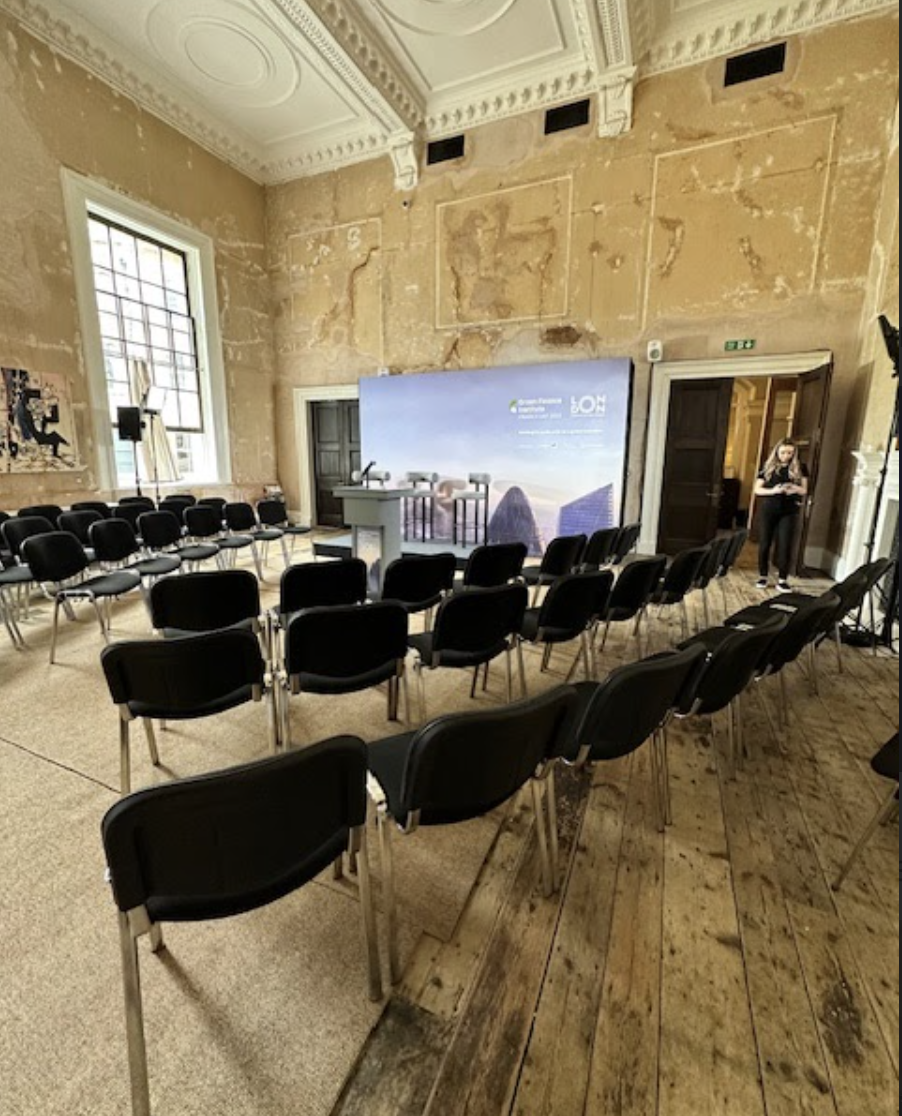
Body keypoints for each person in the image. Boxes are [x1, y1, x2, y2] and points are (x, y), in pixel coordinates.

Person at [754, 438, 810, 592]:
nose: (786, 455)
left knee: (785, 544)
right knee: (765, 543)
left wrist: (793, 488)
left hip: (789, 510)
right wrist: (774, 490)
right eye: (783, 452)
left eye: (790, 453)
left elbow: (804, 490)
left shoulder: (800, 468)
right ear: (777, 452)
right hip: (769, 508)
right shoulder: (767, 467)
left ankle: (783, 579)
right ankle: (763, 576)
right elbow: (757, 489)